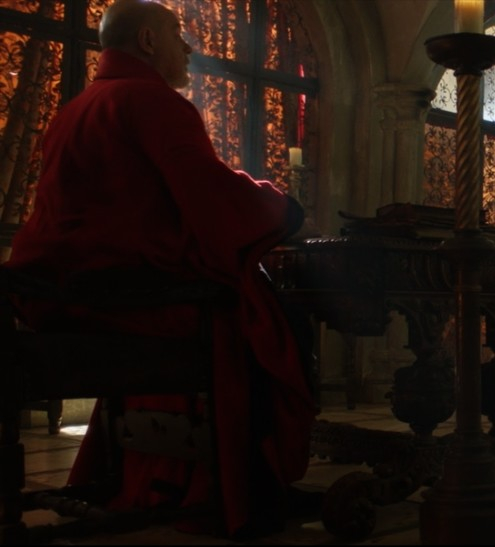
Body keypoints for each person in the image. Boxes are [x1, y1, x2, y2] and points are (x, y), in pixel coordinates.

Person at [5, 0, 317, 539]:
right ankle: (245, 488)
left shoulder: (75, 108)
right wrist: (283, 209)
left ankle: (161, 474)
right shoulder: (151, 100)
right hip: (131, 307)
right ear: (148, 41)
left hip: (65, 301)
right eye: (178, 33)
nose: (189, 47)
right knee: (265, 321)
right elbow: (211, 194)